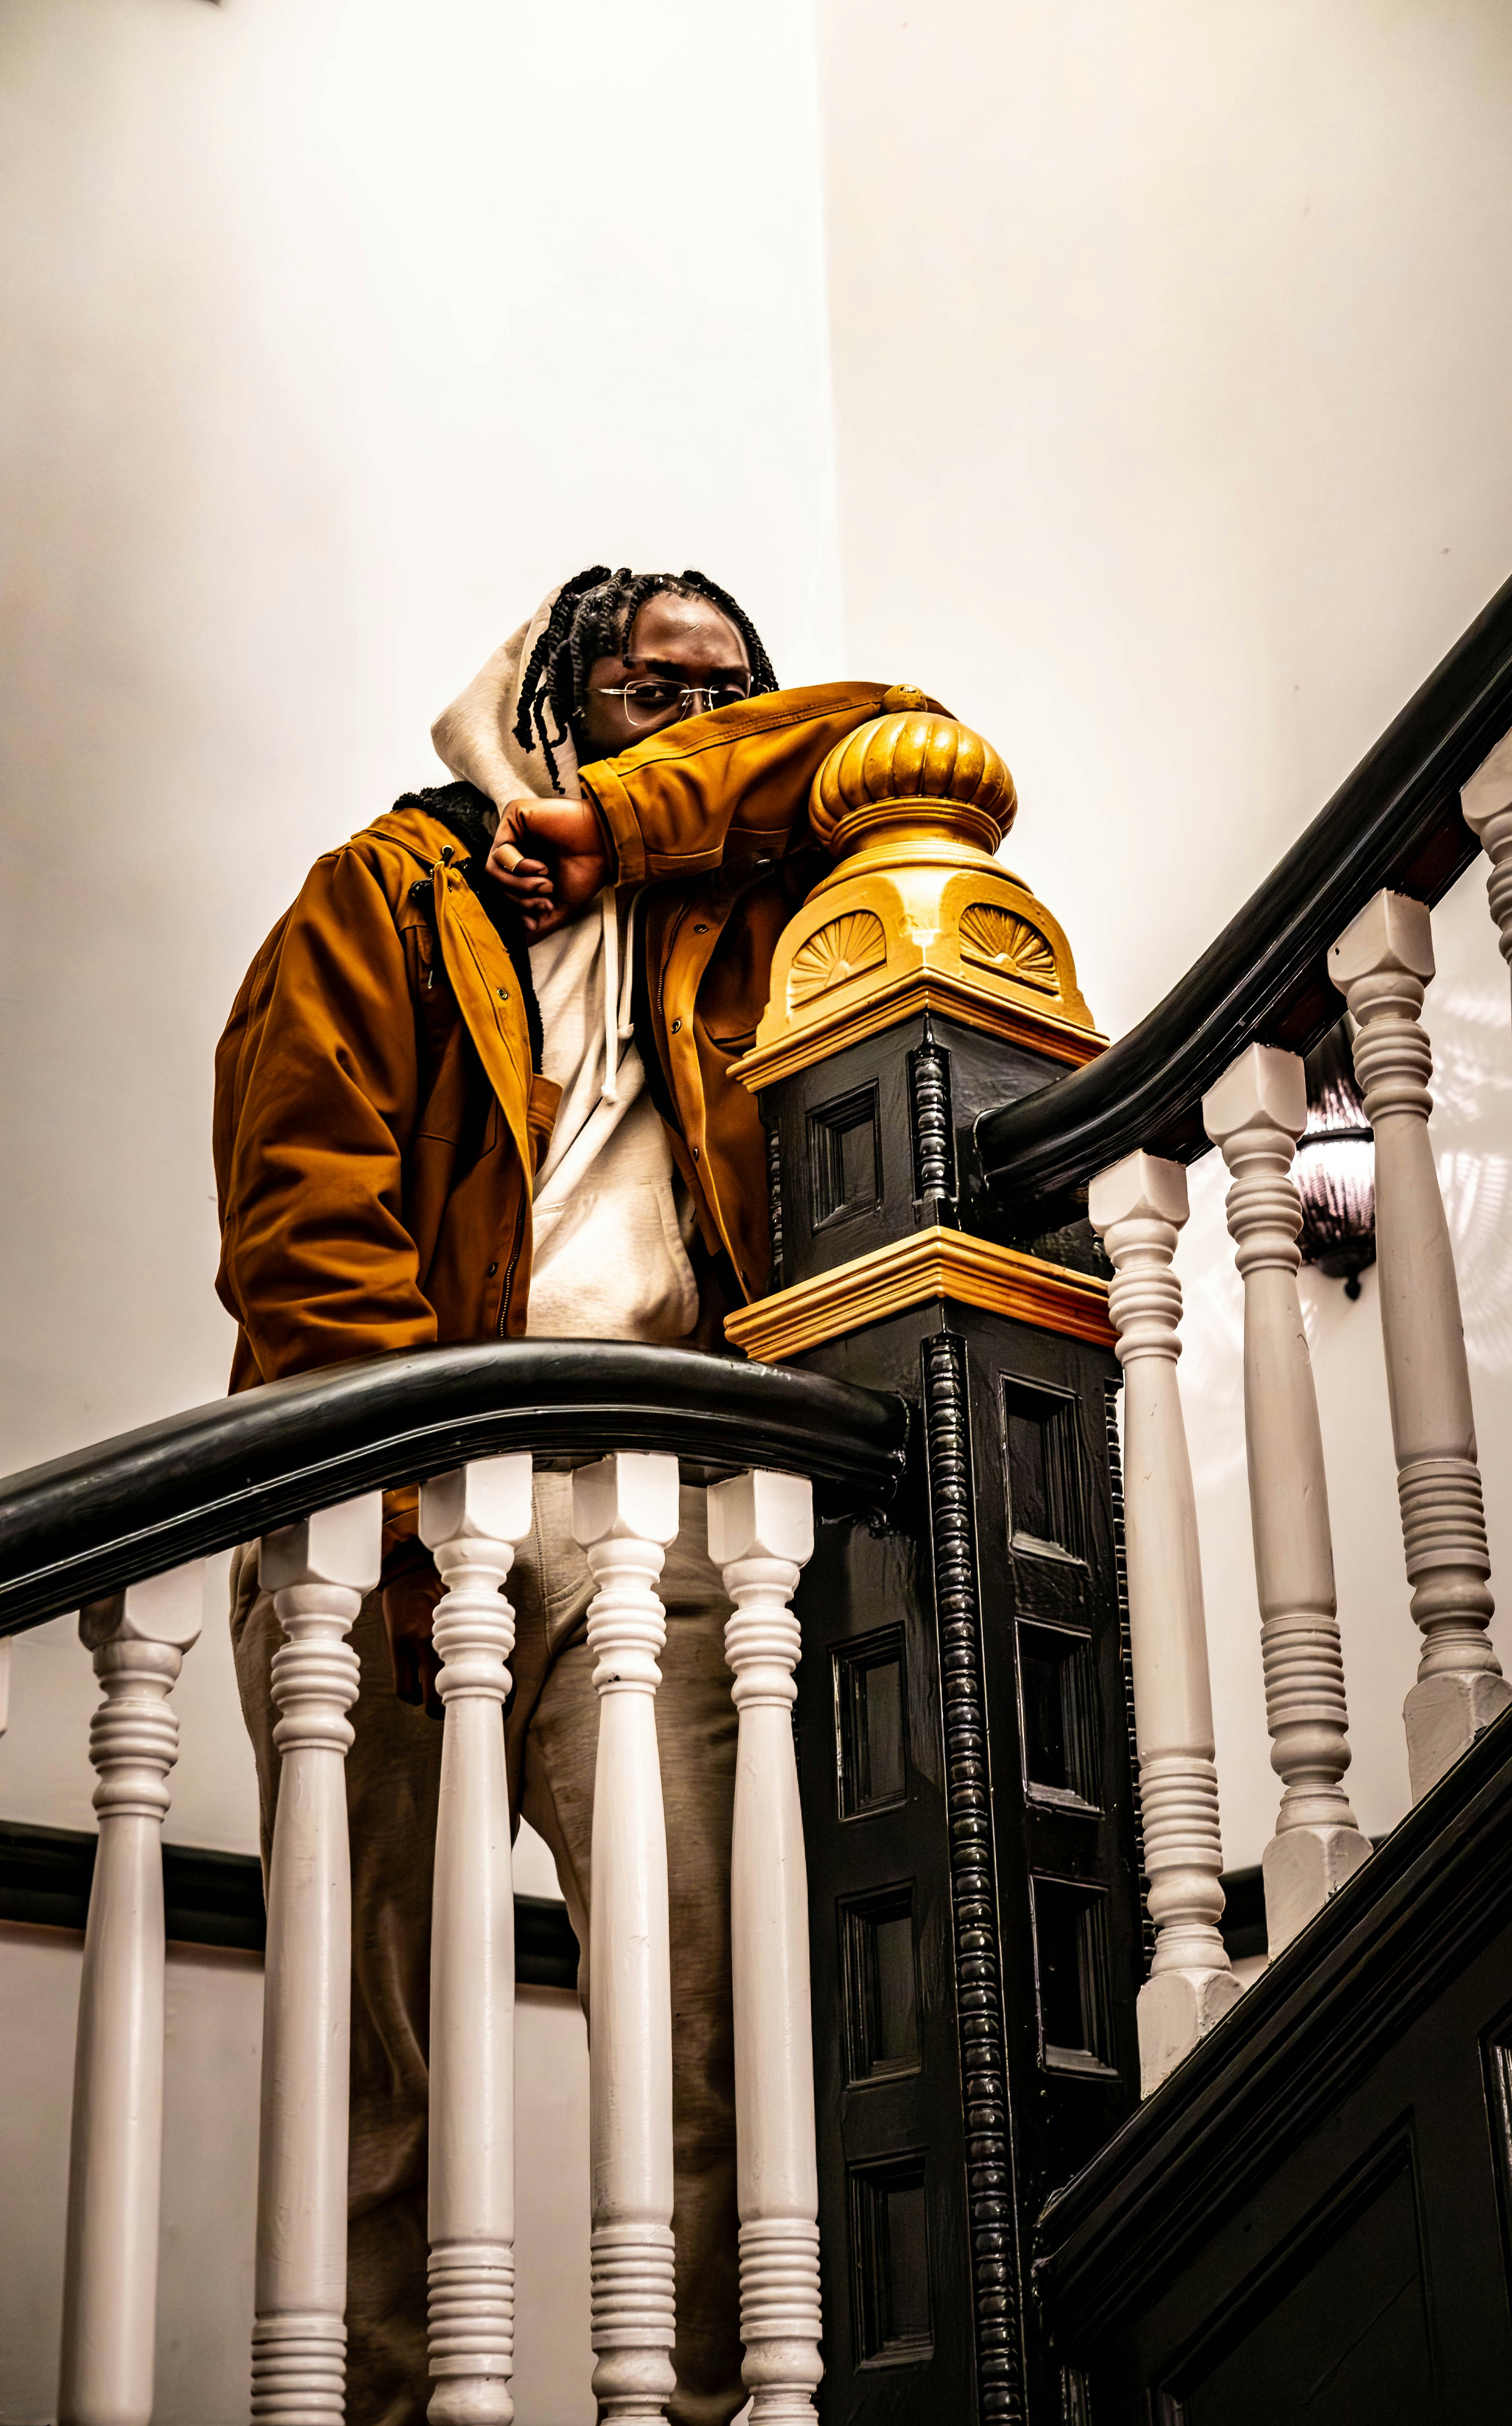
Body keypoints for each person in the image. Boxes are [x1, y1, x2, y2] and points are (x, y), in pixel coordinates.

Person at [213, 563, 931, 2426]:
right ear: (548, 698)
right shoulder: (384, 892)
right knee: (380, 2045)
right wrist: (406, 1480)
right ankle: (377, 2407)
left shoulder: (756, 921)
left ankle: (705, 2408)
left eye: (723, 694)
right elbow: (303, 1211)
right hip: (380, 1519)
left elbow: (892, 735)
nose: (694, 720)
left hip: (667, 1527)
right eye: (644, 688)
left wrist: (626, 827)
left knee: (706, 2017)